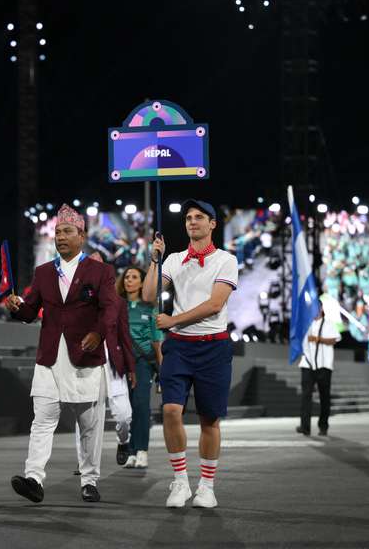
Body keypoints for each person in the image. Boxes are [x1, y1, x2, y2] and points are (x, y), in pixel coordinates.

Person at [6, 204, 117, 504]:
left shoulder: (101, 271)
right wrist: (18, 308)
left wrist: (99, 334)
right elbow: (31, 311)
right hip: (50, 358)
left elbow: (111, 309)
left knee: (89, 425)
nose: (61, 237)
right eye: (57, 232)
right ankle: (34, 479)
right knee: (42, 420)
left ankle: (90, 479)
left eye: (68, 231)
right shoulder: (43, 272)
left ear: (82, 236)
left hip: (86, 357)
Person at [142, 199, 238, 509]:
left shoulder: (226, 260)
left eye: (199, 217)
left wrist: (172, 320)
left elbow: (214, 305)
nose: (192, 221)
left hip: (214, 346)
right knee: (171, 411)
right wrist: (155, 260)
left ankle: (207, 486)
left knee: (210, 419)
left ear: (212, 224)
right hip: (179, 347)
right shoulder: (172, 259)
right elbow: (147, 295)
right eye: (188, 217)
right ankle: (180, 481)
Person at [72, 254, 137, 472]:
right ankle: (83, 462)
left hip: (113, 366)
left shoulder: (117, 302)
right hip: (87, 365)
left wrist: (131, 368)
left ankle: (123, 441)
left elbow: (125, 337)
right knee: (84, 417)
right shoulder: (77, 300)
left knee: (124, 415)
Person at [118, 266, 163, 469]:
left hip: (143, 362)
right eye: (127, 277)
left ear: (143, 283)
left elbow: (156, 340)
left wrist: (161, 368)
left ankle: (141, 450)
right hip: (120, 364)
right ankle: (131, 451)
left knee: (141, 405)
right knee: (126, 410)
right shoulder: (118, 306)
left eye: (134, 277)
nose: (129, 280)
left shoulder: (150, 308)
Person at [297, 302, 341, 437]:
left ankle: (323, 426)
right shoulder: (306, 324)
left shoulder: (328, 324)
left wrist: (318, 339)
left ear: (322, 308)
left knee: (324, 397)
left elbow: (334, 340)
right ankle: (305, 427)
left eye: (317, 307)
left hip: (324, 365)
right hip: (307, 364)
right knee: (306, 397)